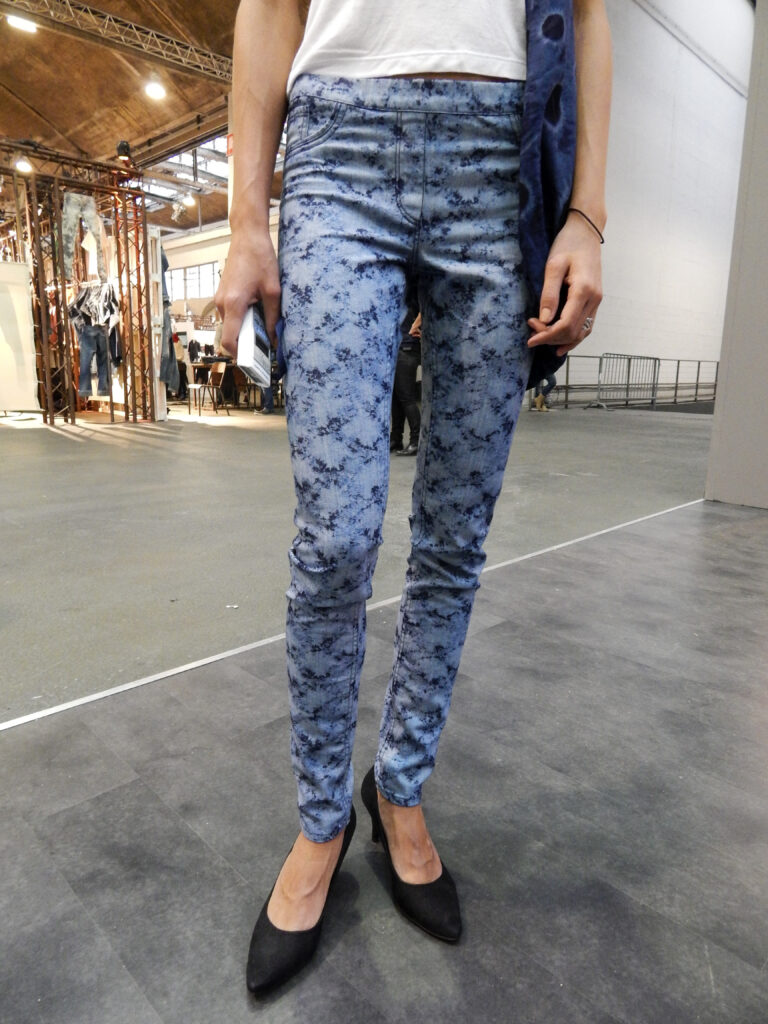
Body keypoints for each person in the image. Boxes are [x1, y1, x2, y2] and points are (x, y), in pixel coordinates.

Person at [216, 0, 611, 994]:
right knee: (337, 537)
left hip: (501, 164)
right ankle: (321, 818)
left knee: (454, 534)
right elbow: (268, 6)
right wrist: (247, 219)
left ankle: (398, 783)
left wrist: (586, 213)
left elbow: (591, 12)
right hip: (338, 155)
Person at [390, 306, 421, 455]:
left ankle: (416, 441)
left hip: (407, 347)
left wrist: (415, 326)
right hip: (399, 347)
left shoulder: (410, 295)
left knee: (406, 398)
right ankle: (396, 438)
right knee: (396, 398)